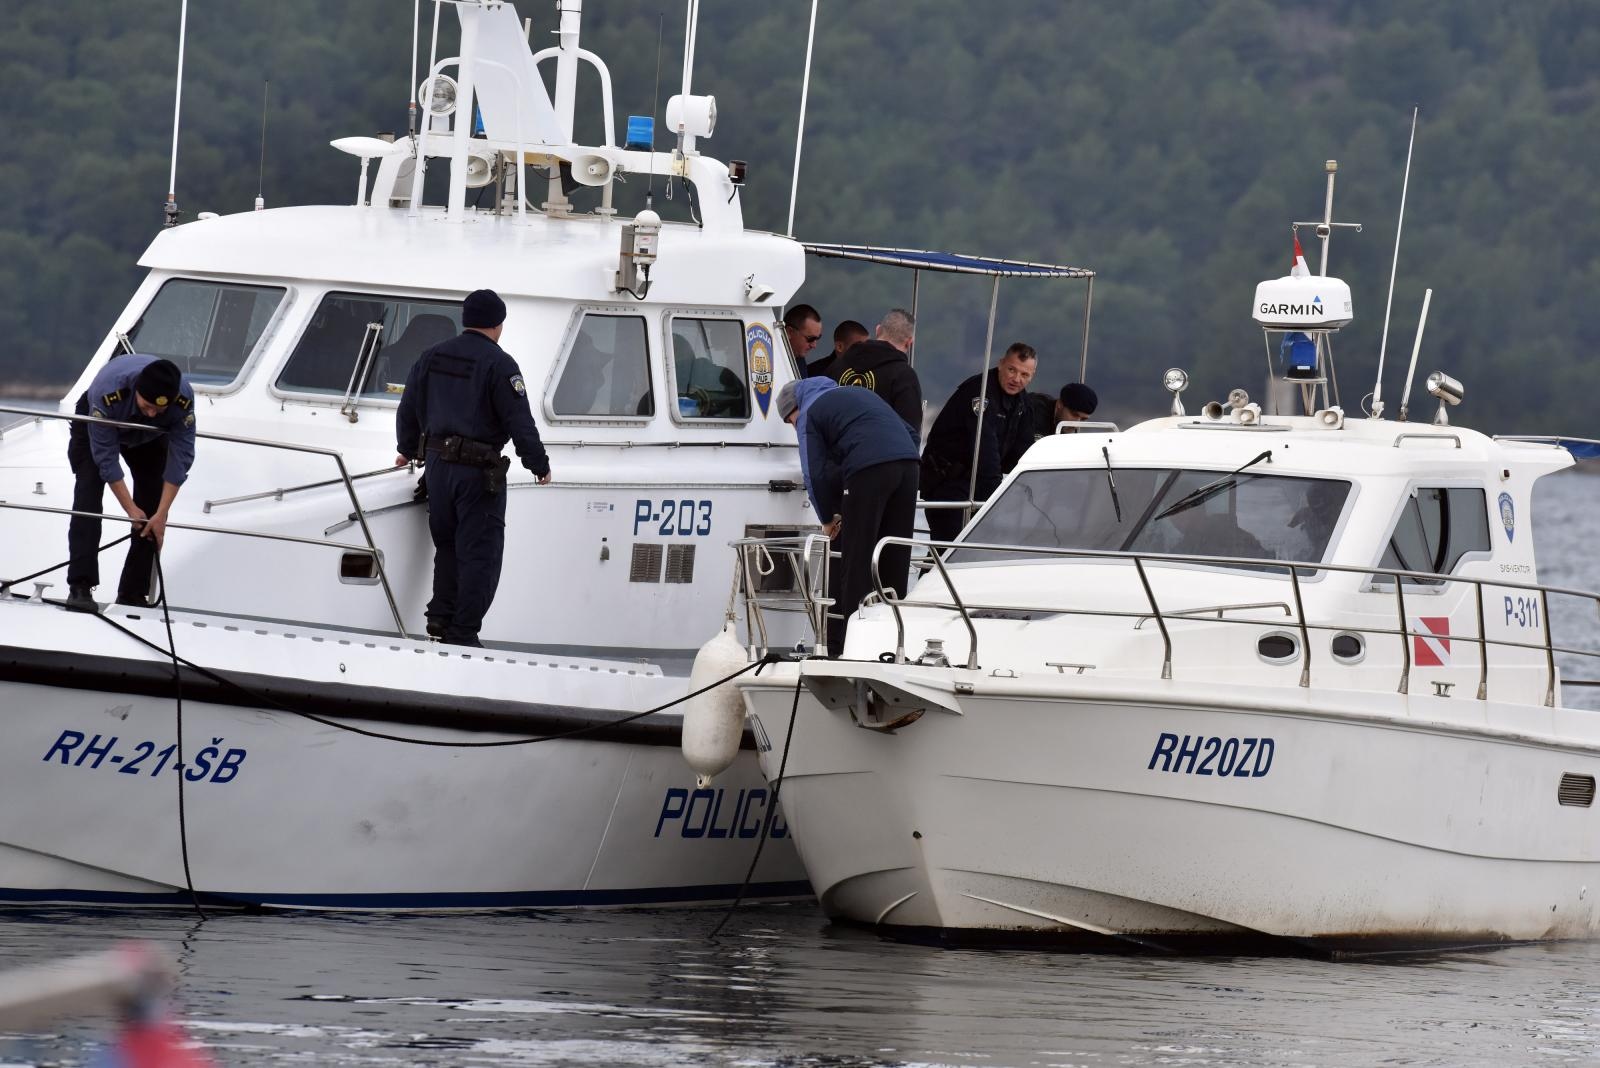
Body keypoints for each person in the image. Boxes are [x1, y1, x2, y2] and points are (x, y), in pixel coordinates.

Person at [395, 289, 551, 647]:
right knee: (480, 555)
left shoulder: (431, 356)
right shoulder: (500, 364)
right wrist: (538, 464)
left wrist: (406, 450)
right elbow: (519, 422)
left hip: (437, 469)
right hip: (477, 474)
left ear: (465, 320)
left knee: (447, 546)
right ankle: (463, 634)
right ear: (498, 324)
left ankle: (440, 618)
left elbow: (408, 407)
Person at [777, 377, 919, 655]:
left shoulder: (809, 412)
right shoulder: (858, 394)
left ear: (795, 409)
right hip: (909, 465)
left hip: (868, 470)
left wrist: (826, 518)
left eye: (791, 422)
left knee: (857, 559)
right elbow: (911, 433)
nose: (795, 427)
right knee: (894, 556)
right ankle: (893, 642)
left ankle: (854, 647)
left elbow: (813, 472)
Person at [65, 355, 197, 612]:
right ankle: (80, 586)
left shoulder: (182, 400)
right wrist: (130, 509)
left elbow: (181, 459)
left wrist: (161, 514)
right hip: (100, 422)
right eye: (148, 405)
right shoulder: (109, 392)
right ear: (137, 391)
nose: (152, 412)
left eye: (159, 409)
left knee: (152, 505)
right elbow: (106, 460)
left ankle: (133, 594)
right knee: (88, 496)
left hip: (149, 435)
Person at [920, 342, 1038, 543]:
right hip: (948, 484)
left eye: (1024, 374)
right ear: (1001, 364)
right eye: (1012, 370)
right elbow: (985, 448)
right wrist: (998, 499)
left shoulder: (1022, 403)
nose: (1017, 379)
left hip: (979, 488)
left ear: (1032, 376)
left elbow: (1024, 450)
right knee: (949, 552)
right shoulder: (979, 393)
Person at [826, 308, 922, 443]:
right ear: (909, 342)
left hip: (836, 452)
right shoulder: (904, 377)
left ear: (878, 330)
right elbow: (909, 435)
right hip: (879, 454)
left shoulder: (836, 366)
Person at [1027, 381, 1099, 441]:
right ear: (1060, 404)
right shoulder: (1030, 411)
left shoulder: (1066, 429)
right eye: (1074, 415)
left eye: (1083, 419)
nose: (1076, 425)